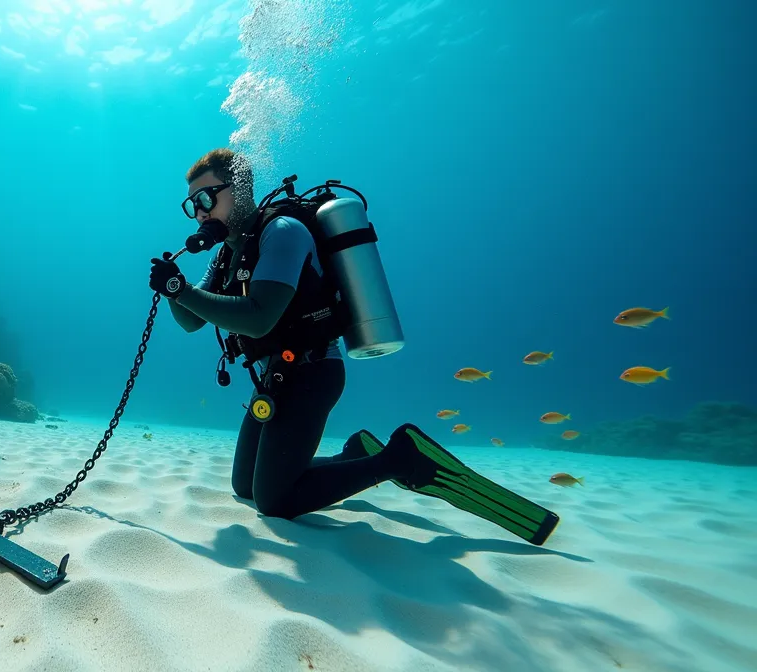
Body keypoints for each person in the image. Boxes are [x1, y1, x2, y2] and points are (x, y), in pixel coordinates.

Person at [147, 148, 561, 545]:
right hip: (276, 379)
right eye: (191, 205)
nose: (199, 212)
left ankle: (400, 459)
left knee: (274, 501)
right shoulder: (226, 256)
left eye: (205, 198)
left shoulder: (282, 232)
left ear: (238, 189)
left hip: (311, 374)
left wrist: (179, 289)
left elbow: (259, 318)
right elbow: (191, 321)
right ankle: (355, 453)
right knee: (245, 485)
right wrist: (174, 291)